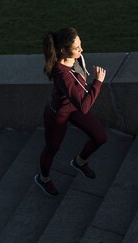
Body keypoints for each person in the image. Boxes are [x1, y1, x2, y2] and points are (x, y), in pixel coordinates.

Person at [35, 27, 107, 196]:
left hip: (74, 107)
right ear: (63, 51)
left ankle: (79, 162)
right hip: (58, 114)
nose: (81, 50)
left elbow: (80, 95)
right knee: (52, 148)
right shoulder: (62, 75)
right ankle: (43, 179)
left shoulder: (77, 58)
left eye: (80, 45)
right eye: (76, 48)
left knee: (100, 138)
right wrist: (98, 82)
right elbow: (84, 107)